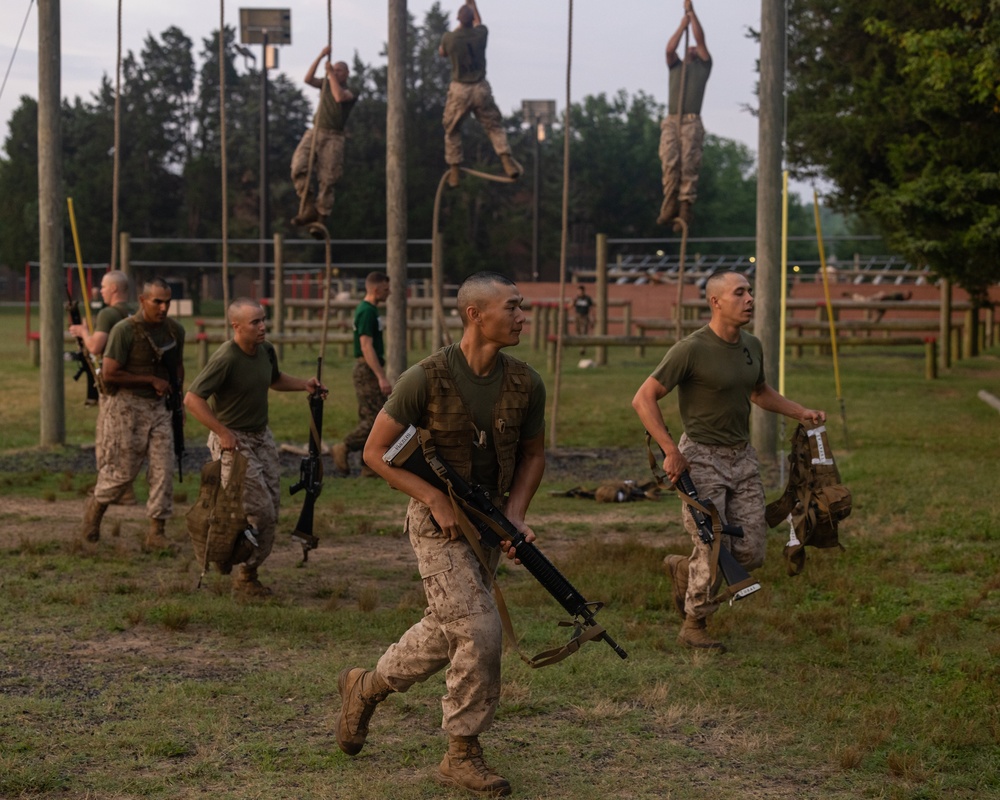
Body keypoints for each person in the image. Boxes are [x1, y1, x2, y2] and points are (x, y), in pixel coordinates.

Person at [336, 272, 546, 796]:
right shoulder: (424, 378)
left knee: (445, 628)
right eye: (513, 307)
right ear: (476, 314)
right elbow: (374, 452)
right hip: (437, 525)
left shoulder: (525, 381)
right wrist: (431, 497)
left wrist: (516, 512)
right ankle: (462, 752)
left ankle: (367, 686)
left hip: (489, 523)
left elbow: (533, 454)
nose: (523, 316)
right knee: (479, 629)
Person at [631, 270, 825, 652]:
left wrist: (799, 411)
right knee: (712, 546)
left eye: (750, 291)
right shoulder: (691, 349)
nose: (750, 298)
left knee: (751, 551)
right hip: (700, 459)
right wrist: (671, 450)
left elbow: (758, 391)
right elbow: (643, 398)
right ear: (716, 302)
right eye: (740, 293)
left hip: (742, 458)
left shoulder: (751, 344)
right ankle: (694, 624)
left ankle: (684, 571)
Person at [184, 298, 327, 598]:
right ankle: (235, 564)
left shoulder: (266, 351)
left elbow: (274, 380)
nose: (262, 327)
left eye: (263, 320)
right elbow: (193, 400)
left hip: (261, 437)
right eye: (255, 322)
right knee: (259, 510)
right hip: (233, 441)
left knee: (271, 508)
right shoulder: (226, 358)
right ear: (236, 327)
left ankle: (246, 572)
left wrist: (305, 385)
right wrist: (222, 432)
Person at [79, 277, 185, 552]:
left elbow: (178, 368)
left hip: (160, 408)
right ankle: (95, 511)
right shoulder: (124, 331)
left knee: (163, 470)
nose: (163, 308)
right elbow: (111, 372)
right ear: (142, 300)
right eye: (157, 302)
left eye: (167, 302)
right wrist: (150, 379)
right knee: (122, 473)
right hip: (127, 406)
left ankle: (156, 532)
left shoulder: (174, 331)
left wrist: (178, 401)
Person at [68, 270, 137, 505]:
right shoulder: (133, 312)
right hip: (130, 383)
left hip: (113, 385)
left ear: (115, 289)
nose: (101, 290)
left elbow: (96, 346)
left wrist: (83, 332)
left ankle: (116, 490)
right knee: (124, 440)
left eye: (104, 287)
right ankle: (122, 488)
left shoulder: (108, 314)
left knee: (108, 440)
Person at [439, 0, 522, 188]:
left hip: (460, 89)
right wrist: (472, 4)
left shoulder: (449, 38)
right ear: (472, 20)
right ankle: (506, 160)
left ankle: (454, 170)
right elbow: (478, 22)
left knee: (452, 129)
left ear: (458, 20)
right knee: (494, 126)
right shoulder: (481, 34)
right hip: (481, 88)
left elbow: (442, 52)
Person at [331, 272, 392, 478]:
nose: (389, 292)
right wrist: (381, 376)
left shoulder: (370, 310)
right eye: (385, 289)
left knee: (370, 416)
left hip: (368, 368)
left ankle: (369, 464)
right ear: (375, 289)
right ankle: (345, 447)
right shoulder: (366, 311)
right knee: (377, 419)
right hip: (367, 369)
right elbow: (366, 346)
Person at [657, 0, 711, 230]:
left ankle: (685, 207)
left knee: (688, 164)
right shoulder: (676, 66)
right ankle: (670, 203)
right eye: (687, 48)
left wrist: (692, 13)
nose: (690, 49)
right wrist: (682, 26)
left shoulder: (703, 67)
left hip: (690, 121)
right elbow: (669, 49)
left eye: (693, 50)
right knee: (670, 162)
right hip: (672, 120)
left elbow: (700, 41)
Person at [290, 47, 357, 227]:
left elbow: (339, 97)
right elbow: (308, 79)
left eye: (339, 70)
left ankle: (321, 216)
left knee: (328, 177)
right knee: (298, 165)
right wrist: (320, 56)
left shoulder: (351, 91)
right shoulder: (326, 83)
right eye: (334, 70)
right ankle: (308, 205)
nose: (335, 73)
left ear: (347, 74)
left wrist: (329, 74)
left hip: (333, 136)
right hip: (316, 131)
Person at [572, 284, 595, 354]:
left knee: (584, 331)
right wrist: (573, 301)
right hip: (577, 316)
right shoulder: (576, 299)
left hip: (584, 316)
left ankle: (583, 348)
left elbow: (591, 309)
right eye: (578, 291)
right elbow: (570, 305)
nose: (579, 293)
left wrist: (592, 318)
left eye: (580, 291)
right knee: (578, 331)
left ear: (583, 291)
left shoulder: (587, 299)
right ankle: (580, 346)